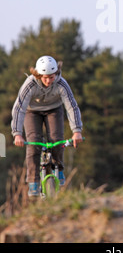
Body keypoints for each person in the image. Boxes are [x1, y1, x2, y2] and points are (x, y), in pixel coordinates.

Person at [11, 55, 83, 196]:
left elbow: (72, 107)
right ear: (38, 74)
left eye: (51, 77)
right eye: (45, 77)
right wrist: (17, 133)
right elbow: (19, 108)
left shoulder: (61, 84)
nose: (48, 81)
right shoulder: (30, 84)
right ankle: (33, 181)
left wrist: (77, 131)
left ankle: (59, 168)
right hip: (32, 112)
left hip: (54, 110)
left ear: (56, 73)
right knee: (33, 143)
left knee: (57, 139)